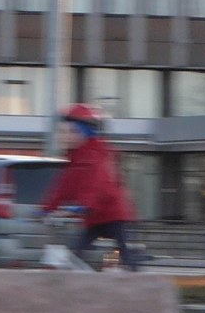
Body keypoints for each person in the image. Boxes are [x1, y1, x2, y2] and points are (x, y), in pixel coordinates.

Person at [42, 101, 147, 271]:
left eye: (72, 132)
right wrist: (47, 207)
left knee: (127, 257)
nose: (65, 136)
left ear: (85, 133)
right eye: (63, 132)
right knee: (75, 255)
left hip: (115, 215)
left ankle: (139, 288)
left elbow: (96, 184)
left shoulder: (97, 156)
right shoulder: (75, 158)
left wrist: (83, 205)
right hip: (94, 218)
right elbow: (62, 186)